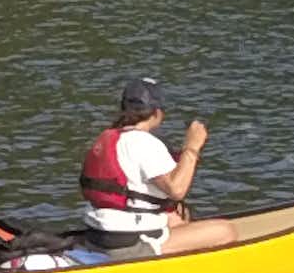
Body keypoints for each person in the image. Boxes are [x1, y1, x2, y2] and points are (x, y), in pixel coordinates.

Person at [77, 79, 238, 258]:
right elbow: (177, 190)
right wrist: (192, 146)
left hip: (98, 235)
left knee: (175, 220)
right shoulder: (144, 142)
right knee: (225, 230)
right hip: (128, 243)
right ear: (157, 113)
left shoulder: (108, 137)